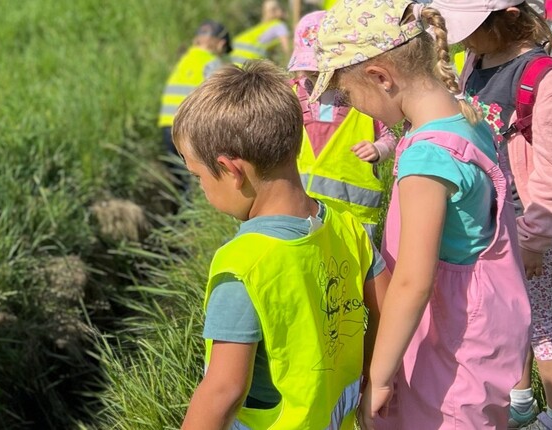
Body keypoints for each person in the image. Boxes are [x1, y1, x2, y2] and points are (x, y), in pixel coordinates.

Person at [311, 0, 533, 428]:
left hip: (451, 342)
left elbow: (413, 282)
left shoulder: (427, 159)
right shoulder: (466, 118)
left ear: (381, 78)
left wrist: (377, 376)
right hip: (488, 324)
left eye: (348, 93)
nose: (352, 106)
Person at [175, 61, 390, 430]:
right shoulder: (347, 227)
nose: (201, 187)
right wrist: (371, 380)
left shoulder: (241, 266)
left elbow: (223, 391)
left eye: (199, 176)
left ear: (231, 170)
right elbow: (388, 313)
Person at [431, 1, 552, 428]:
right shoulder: (475, 59)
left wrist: (535, 240)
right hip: (488, 217)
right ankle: (519, 399)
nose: (461, 37)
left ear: (511, 18)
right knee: (506, 317)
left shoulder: (547, 81)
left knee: (540, 325)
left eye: (471, 28)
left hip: (528, 223)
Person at [287, 10, 397, 237]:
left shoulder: (363, 98)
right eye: (311, 72)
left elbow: (388, 138)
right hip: (301, 217)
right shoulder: (290, 97)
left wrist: (378, 150)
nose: (316, 78)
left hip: (353, 222)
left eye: (322, 72)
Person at [159, 20, 231, 189]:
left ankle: (180, 212)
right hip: (188, 130)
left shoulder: (185, 59)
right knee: (194, 185)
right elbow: (220, 99)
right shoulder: (211, 62)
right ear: (221, 44)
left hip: (167, 127)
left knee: (180, 182)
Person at [230, 1, 292, 66]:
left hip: (236, 54)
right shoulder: (279, 25)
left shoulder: (263, 26)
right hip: (249, 58)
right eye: (281, 9)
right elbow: (287, 49)